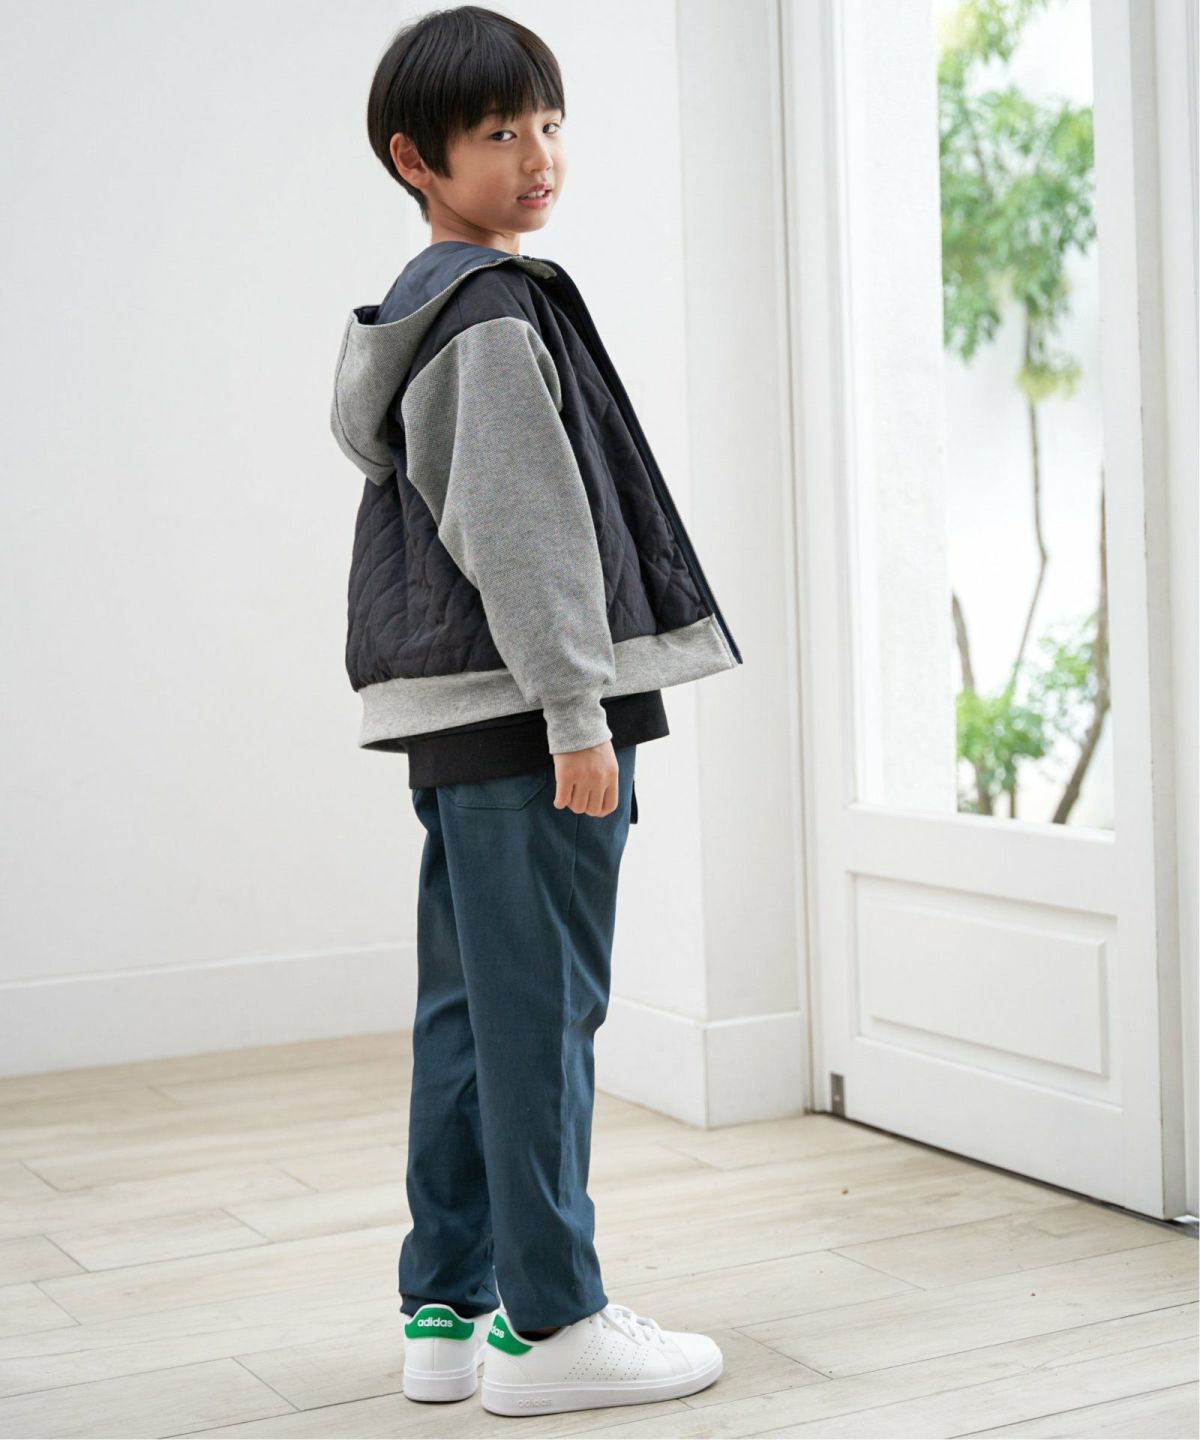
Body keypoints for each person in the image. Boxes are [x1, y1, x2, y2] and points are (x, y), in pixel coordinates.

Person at [329, 3, 742, 1418]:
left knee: (473, 1013)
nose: (538, 155)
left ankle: (448, 1310)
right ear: (416, 159)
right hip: (531, 716)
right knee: (542, 1017)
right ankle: (554, 1324)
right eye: (500, 132)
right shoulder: (490, 318)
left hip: (467, 722)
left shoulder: (436, 307)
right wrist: (577, 713)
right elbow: (526, 532)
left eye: (550, 123)